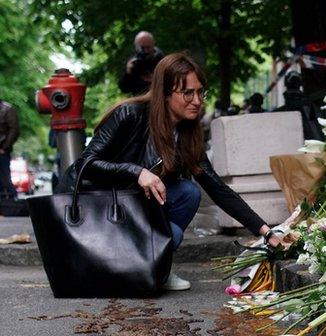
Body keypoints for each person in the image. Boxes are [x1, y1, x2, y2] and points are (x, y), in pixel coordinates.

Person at [80, 52, 283, 291]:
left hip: (138, 208)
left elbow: (217, 189)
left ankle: (156, 267)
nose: (197, 100)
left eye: (200, 92)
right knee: (176, 213)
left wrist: (266, 232)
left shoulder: (187, 134)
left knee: (188, 192)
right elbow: (85, 164)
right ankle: (132, 266)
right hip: (104, 210)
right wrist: (135, 172)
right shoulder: (130, 115)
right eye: (187, 93)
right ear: (165, 94)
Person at [119, 31, 165, 95]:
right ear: (136, 47)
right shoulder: (134, 62)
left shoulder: (162, 61)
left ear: (153, 44)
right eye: (142, 48)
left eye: (148, 47)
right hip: (140, 100)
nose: (146, 51)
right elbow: (124, 88)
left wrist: (155, 79)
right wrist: (128, 73)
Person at [0, 100, 19, 199]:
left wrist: (4, 147)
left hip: (2, 150)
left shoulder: (7, 109)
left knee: (5, 180)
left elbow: (14, 130)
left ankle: (12, 204)